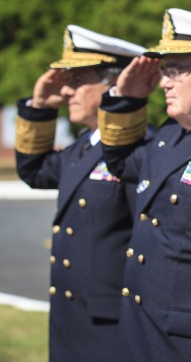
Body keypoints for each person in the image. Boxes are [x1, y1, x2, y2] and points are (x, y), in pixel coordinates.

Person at [97, 8, 191, 362]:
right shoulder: (170, 135)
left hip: (188, 338)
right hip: (140, 326)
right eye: (165, 71)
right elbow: (120, 162)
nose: (165, 82)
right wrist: (126, 99)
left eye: (176, 71)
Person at [14, 25, 146, 362]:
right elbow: (35, 171)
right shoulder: (83, 147)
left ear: (114, 84)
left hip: (111, 324)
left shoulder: (140, 150)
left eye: (78, 80)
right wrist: (40, 107)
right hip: (71, 319)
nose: (68, 91)